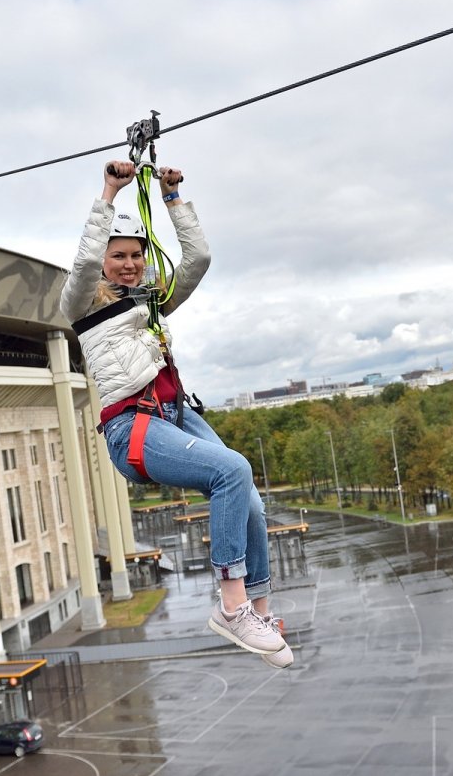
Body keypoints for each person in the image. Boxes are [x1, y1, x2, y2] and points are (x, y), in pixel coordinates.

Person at [59, 160, 291, 669]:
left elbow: (199, 259)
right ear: (102, 261)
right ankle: (231, 608)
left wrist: (172, 198)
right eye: (117, 256)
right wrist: (109, 193)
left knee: (247, 496)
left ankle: (260, 610)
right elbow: (79, 267)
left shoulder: (151, 302)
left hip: (174, 414)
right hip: (133, 427)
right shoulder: (81, 307)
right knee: (233, 470)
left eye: (135, 256)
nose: (128, 264)